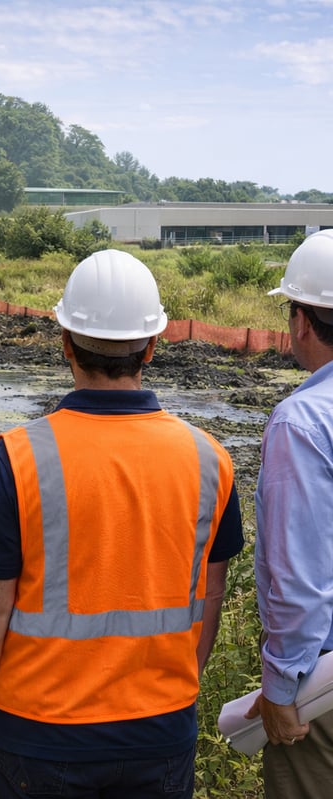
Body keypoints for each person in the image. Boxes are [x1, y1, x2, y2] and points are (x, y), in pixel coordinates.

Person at [0, 249, 244, 798]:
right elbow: (212, 593)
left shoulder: (18, 458)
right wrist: (176, 691)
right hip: (162, 729)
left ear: (65, 343)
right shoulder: (210, 459)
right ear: (152, 347)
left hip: (42, 731)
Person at [245, 229, 333, 798]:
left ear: (301, 321)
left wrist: (280, 690)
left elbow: (301, 583)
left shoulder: (301, 422)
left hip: (324, 690)